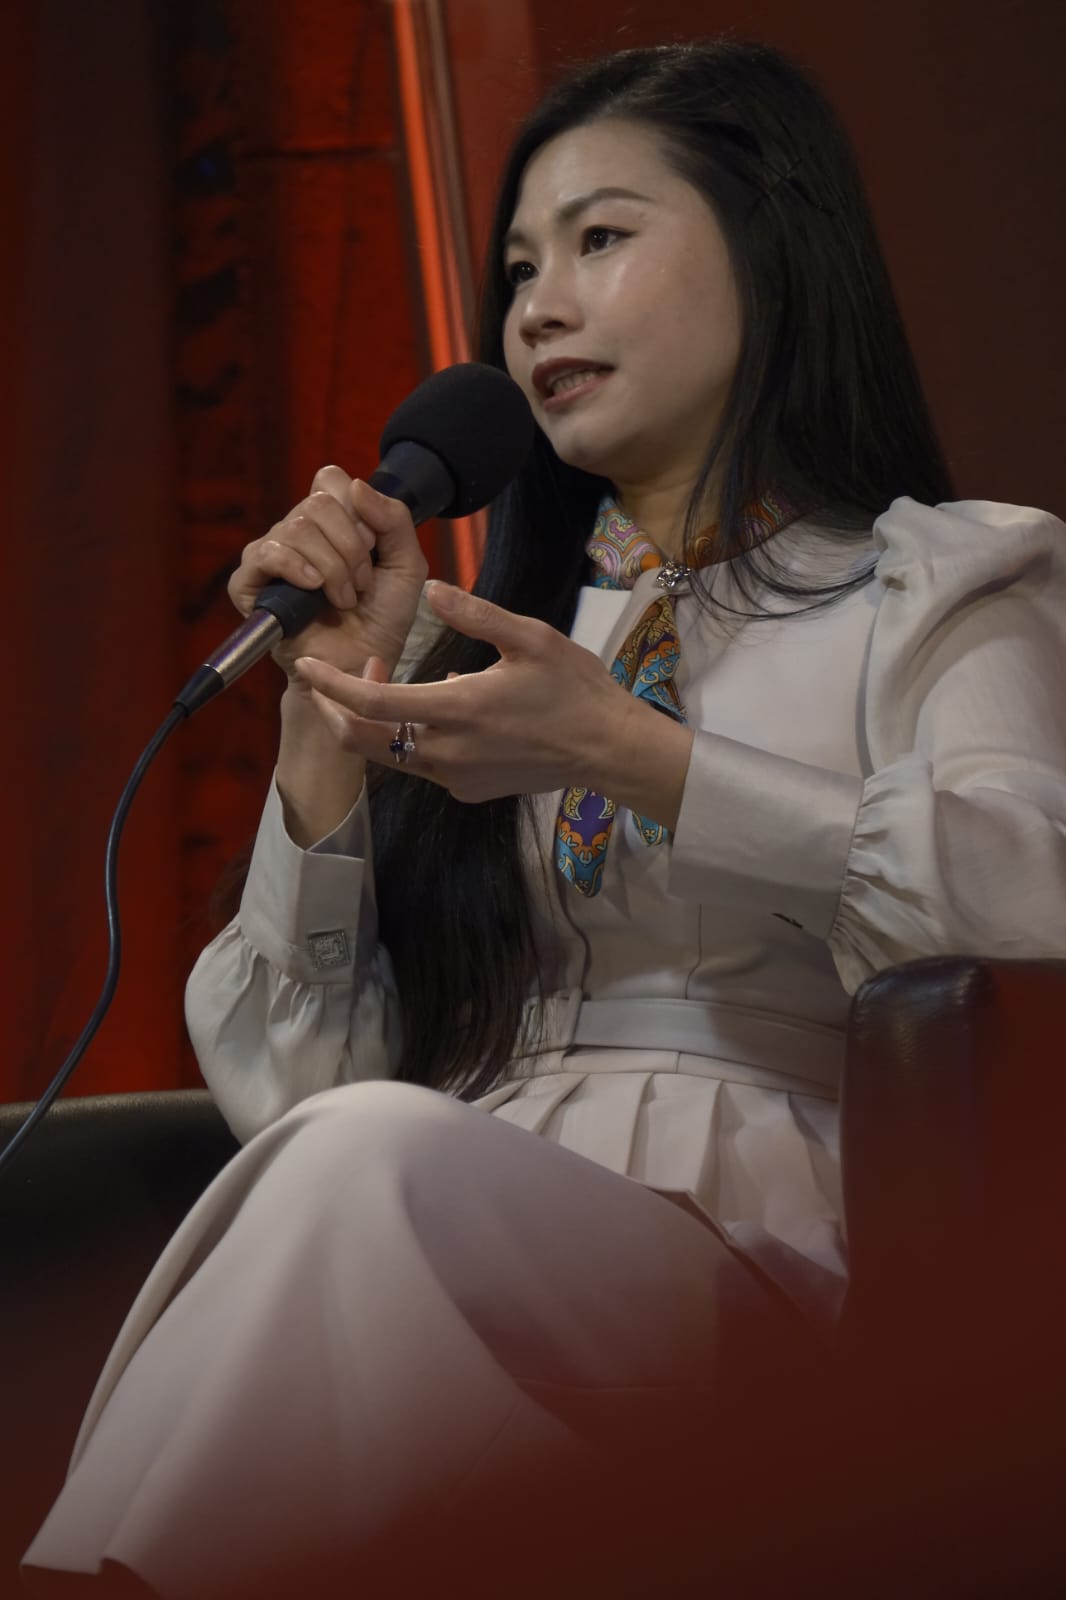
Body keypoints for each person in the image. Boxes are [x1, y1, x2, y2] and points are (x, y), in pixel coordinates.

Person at [24, 36, 1066, 1600]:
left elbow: (1032, 903)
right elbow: (299, 1093)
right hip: (438, 1225)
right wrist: (330, 713)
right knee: (358, 1159)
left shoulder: (937, 581)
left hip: (777, 1276)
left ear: (771, 248)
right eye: (518, 267)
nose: (538, 308)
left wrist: (640, 758)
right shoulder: (486, 639)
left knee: (367, 1165)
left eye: (598, 238)